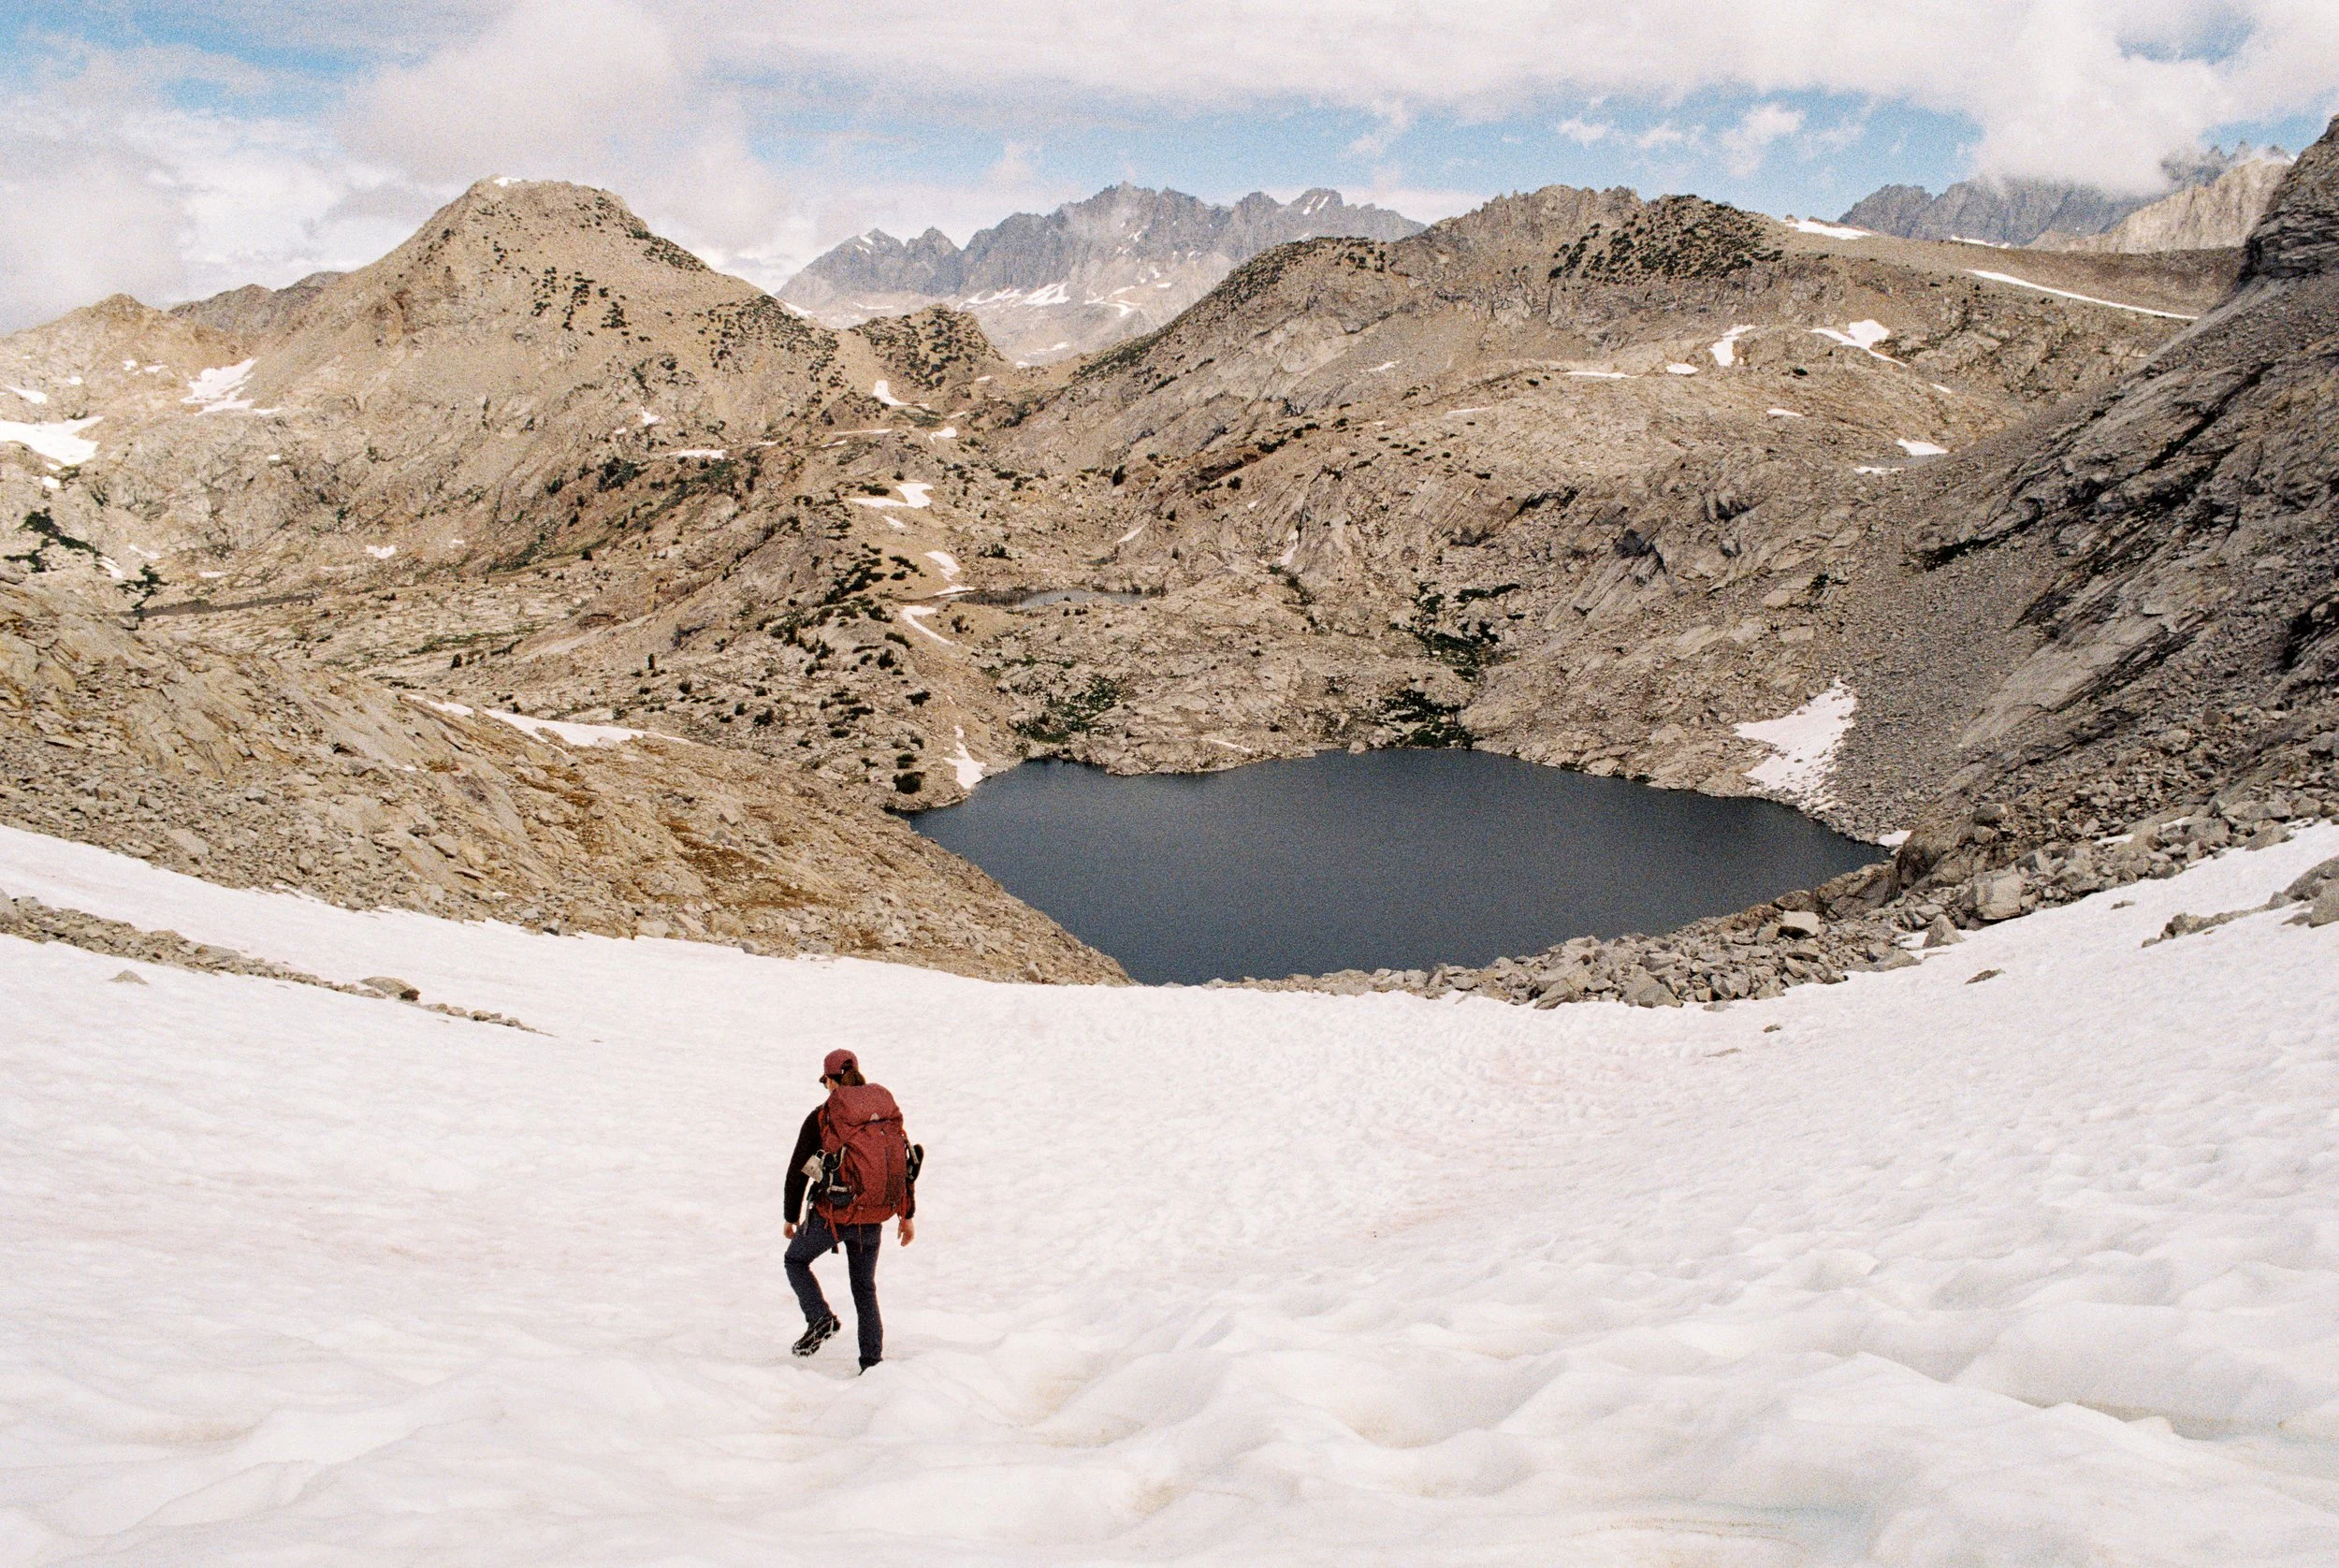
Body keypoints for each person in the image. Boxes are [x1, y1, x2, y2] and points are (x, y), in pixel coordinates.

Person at [784, 1048, 916, 1371]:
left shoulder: (823, 1115)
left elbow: (799, 1169)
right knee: (864, 1289)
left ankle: (820, 1319)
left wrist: (791, 1216)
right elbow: (902, 1163)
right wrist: (906, 1215)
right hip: (872, 1216)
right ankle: (872, 1363)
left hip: (833, 1215)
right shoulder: (882, 1113)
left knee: (795, 1259)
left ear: (830, 1081)